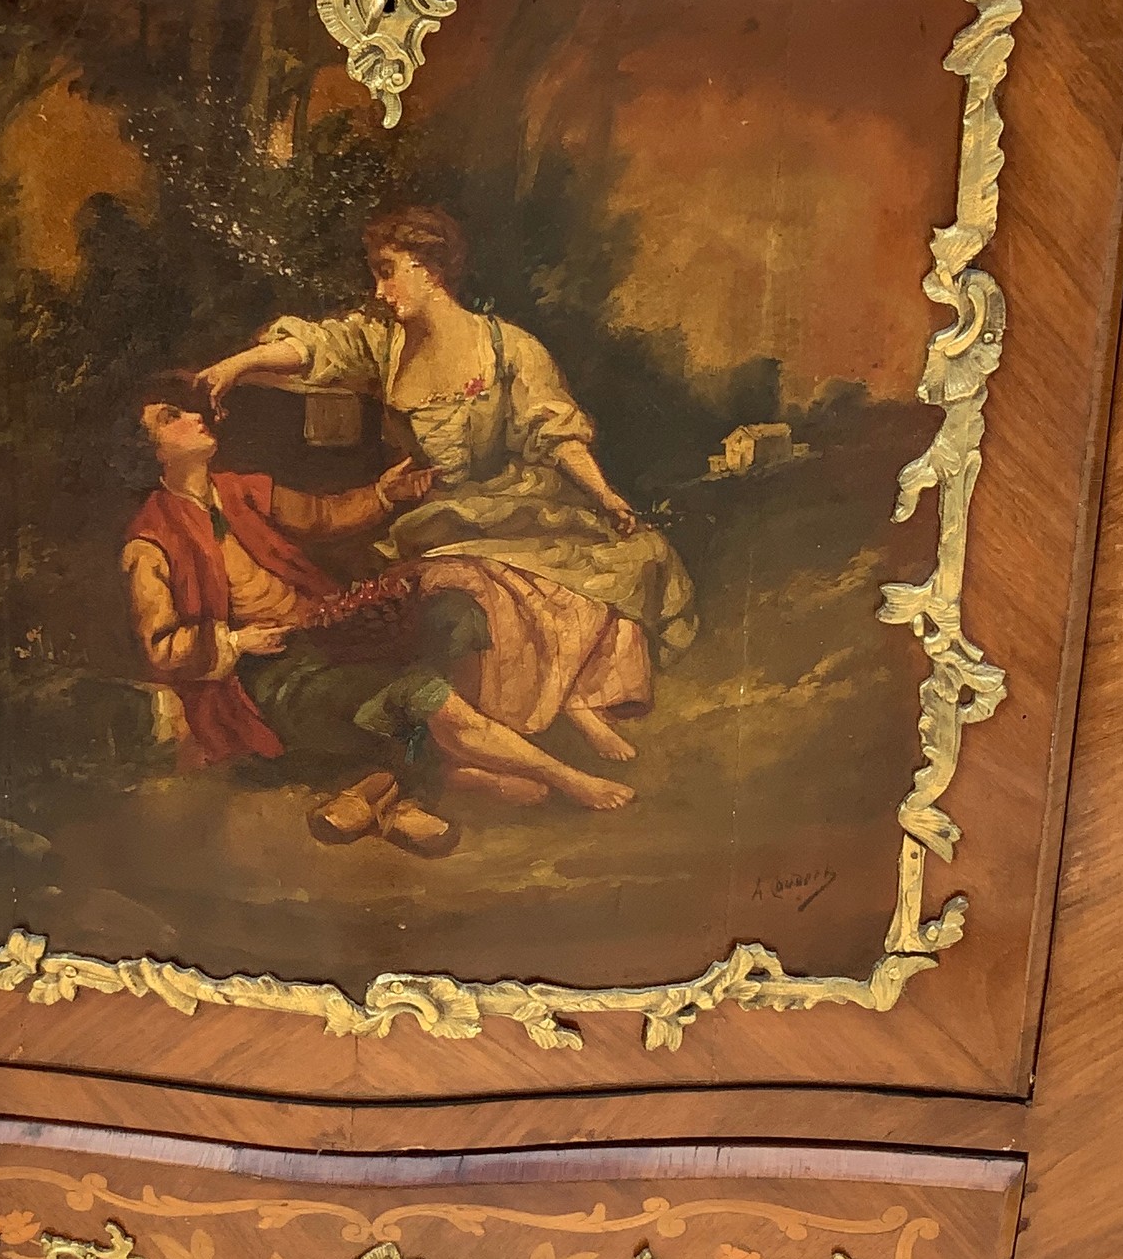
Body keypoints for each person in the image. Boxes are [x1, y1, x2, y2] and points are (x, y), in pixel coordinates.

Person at [195, 205, 695, 767]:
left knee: (609, 563)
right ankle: (556, 712)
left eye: (388, 271)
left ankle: (581, 703)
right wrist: (235, 366)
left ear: (429, 270)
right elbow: (315, 349)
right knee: (476, 583)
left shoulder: (511, 348)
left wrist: (604, 496)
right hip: (436, 521)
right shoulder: (383, 344)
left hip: (520, 505)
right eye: (376, 274)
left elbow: (556, 432)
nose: (379, 290)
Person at [121, 377, 635, 849]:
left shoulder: (239, 488)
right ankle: (559, 779)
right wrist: (237, 643)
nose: (194, 417)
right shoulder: (149, 542)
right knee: (415, 692)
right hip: (274, 675)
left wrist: (386, 493)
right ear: (152, 453)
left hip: (326, 633)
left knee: (456, 612)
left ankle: (393, 783)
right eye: (170, 417)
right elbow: (162, 647)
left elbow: (323, 516)